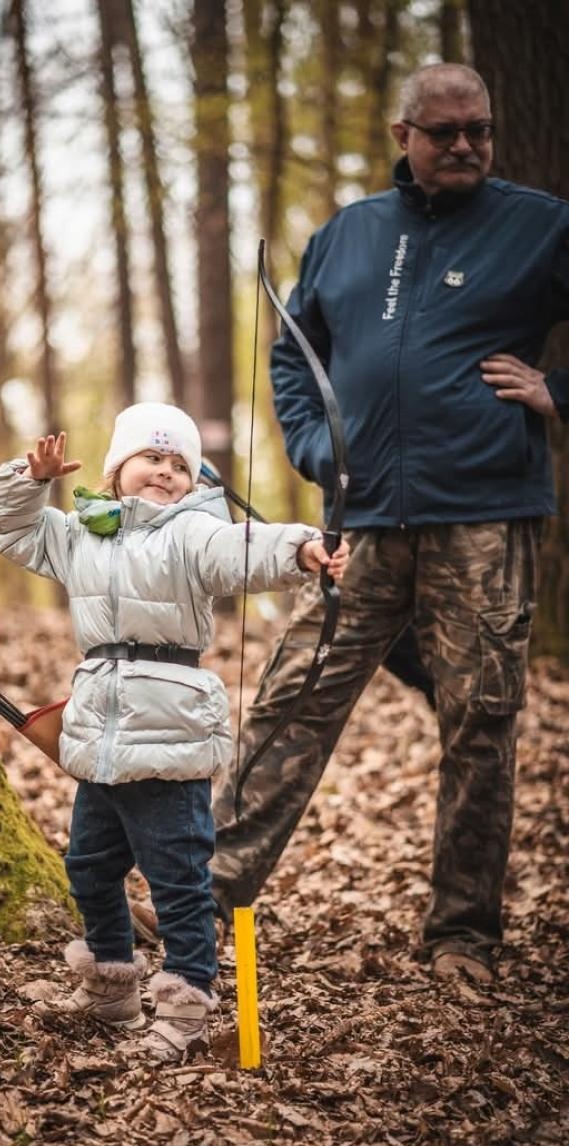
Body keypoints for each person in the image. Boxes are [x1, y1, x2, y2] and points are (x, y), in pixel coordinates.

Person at [131, 64, 569, 986]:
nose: (464, 146)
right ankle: (202, 894)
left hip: (483, 517)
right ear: (403, 135)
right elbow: (295, 355)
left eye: (479, 130)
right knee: (292, 697)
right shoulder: (348, 233)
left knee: (479, 723)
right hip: (359, 519)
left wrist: (552, 391)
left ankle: (462, 937)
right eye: (444, 132)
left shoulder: (538, 224)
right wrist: (310, 445)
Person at [0, 403, 349, 1062]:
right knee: (88, 866)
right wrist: (29, 479)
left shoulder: (193, 531)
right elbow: (13, 530)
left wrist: (302, 548)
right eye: (151, 457)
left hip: (169, 729)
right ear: (116, 467)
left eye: (179, 464)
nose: (165, 471)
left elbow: (242, 550)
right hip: (100, 734)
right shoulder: (82, 533)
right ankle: (111, 988)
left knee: (179, 881)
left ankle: (185, 1006)